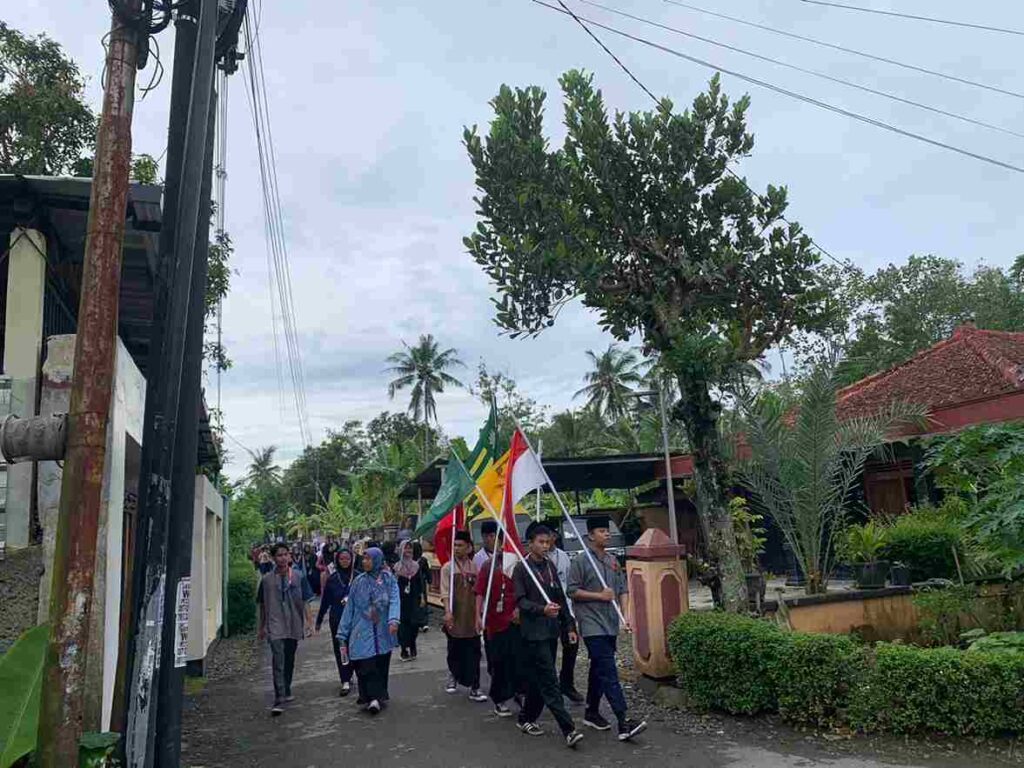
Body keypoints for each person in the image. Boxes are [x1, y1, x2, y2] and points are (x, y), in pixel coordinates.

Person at [567, 516, 647, 742]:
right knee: (609, 670)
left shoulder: (612, 560)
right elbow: (571, 591)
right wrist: (598, 596)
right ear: (591, 535)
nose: (607, 534)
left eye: (608, 530)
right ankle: (623, 721)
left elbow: (622, 589)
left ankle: (591, 711)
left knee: (599, 668)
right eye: (602, 531)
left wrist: (626, 615)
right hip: (591, 624)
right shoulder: (581, 561)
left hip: (610, 622)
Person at [513, 523, 583, 748]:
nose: (545, 546)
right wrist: (540, 609)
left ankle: (525, 718)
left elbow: (560, 598)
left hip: (551, 631)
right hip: (533, 633)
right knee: (550, 680)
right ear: (530, 543)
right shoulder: (521, 568)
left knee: (538, 679)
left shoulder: (550, 566)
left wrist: (569, 626)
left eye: (547, 542)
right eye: (540, 542)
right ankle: (568, 729)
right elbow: (520, 601)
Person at [337, 547, 400, 715]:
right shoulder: (359, 581)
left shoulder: (388, 579)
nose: (365, 562)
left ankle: (377, 696)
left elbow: (394, 599)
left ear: (377, 560)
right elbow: (350, 607)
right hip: (362, 630)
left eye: (368, 559)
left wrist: (393, 619)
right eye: (363, 559)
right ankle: (371, 698)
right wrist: (342, 632)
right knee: (365, 664)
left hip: (383, 630)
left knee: (381, 664)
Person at [257, 542, 314, 716]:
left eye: (285, 554)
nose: (282, 558)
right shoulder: (266, 580)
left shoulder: (298, 576)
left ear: (289, 556)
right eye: (279, 555)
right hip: (274, 623)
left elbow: (305, 601)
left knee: (289, 658)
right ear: (273, 558)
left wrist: (309, 623)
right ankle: (278, 697)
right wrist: (261, 627)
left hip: (293, 622)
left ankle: (286, 688)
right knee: (278, 659)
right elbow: (262, 604)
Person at [474, 535, 520, 718]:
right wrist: (477, 615)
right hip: (495, 623)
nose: (503, 547)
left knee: (517, 660)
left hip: (516, 622)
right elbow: (479, 592)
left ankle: (518, 693)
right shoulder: (488, 566)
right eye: (501, 543)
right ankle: (499, 699)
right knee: (498, 662)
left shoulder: (517, 565)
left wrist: (519, 608)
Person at [440, 530, 487, 702]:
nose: (456, 548)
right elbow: (445, 592)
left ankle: (475, 687)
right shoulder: (447, 568)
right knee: (454, 650)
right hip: (455, 616)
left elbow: (479, 593)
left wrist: (478, 615)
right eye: (455, 545)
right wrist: (447, 612)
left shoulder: (475, 567)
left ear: (469, 548)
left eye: (460, 545)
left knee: (474, 652)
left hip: (471, 617)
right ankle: (453, 674)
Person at [316, 548, 356, 696]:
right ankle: (345, 679)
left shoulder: (357, 577)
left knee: (355, 647)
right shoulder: (332, 579)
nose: (345, 561)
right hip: (337, 619)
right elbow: (325, 601)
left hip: (355, 620)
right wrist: (319, 620)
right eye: (342, 559)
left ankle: (353, 672)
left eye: (347, 558)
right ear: (337, 560)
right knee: (342, 649)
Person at [548, 532, 582, 703]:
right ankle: (550, 688)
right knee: (549, 651)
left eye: (549, 538)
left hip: (566, 608)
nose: (547, 542)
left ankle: (567, 683)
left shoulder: (563, 556)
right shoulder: (531, 561)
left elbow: (569, 582)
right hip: (546, 611)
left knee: (572, 646)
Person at [395, 540, 426, 660]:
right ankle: (404, 649)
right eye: (406, 548)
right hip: (401, 600)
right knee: (403, 625)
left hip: (414, 599)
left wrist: (422, 596)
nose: (408, 551)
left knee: (414, 624)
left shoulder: (416, 566)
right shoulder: (397, 568)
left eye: (410, 549)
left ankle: (412, 644)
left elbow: (420, 583)